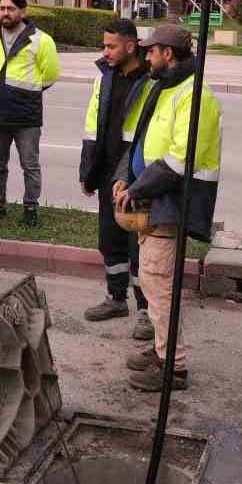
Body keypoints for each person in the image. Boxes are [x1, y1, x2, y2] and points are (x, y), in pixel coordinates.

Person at [113, 24, 224, 391]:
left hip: (173, 201)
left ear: (168, 54)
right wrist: (124, 176)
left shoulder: (195, 96)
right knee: (152, 279)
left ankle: (173, 367)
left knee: (159, 285)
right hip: (154, 198)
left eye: (151, 52)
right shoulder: (163, 87)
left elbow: (180, 160)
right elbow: (141, 139)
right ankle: (162, 350)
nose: (146, 58)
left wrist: (137, 188)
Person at [81, 18, 154, 340]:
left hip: (137, 172)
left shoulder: (152, 80)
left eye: (111, 46)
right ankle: (115, 298)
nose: (105, 52)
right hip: (107, 170)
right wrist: (88, 171)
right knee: (109, 240)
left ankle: (146, 311)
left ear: (130, 45)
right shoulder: (105, 76)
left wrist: (136, 176)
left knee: (137, 244)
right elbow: (91, 126)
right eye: (104, 45)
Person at [0, 0, 60, 227]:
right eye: (2, 8)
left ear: (23, 11)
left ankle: (31, 207)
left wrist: (27, 93)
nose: (5, 13)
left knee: (30, 164)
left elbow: (51, 74)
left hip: (27, 115)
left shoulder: (41, 40)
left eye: (11, 9)